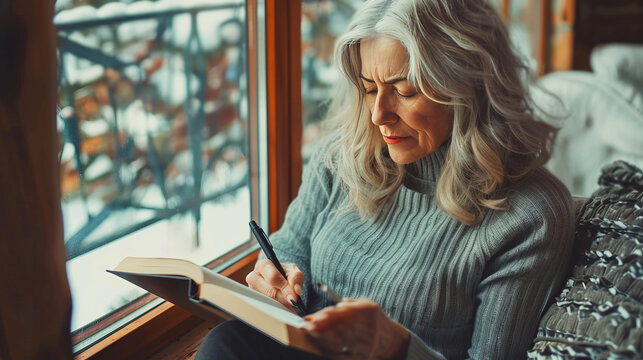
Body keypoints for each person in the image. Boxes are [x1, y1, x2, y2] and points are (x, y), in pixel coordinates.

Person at [196, 0, 574, 359]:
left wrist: (396, 346)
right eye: (369, 88)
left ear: (469, 84)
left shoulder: (530, 214)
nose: (379, 115)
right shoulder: (342, 154)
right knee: (225, 343)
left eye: (404, 91)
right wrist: (279, 276)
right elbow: (291, 244)